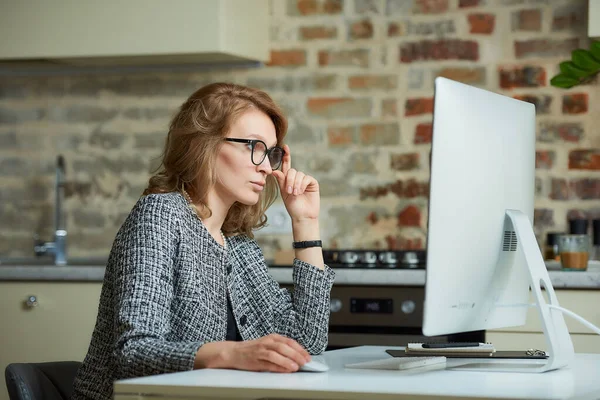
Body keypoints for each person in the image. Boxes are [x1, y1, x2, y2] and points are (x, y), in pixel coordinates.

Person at [71, 82, 335, 400]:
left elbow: (306, 344)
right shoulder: (161, 214)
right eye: (254, 146)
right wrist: (231, 354)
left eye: (271, 152)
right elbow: (133, 351)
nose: (266, 166)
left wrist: (305, 223)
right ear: (205, 144)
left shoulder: (237, 244)